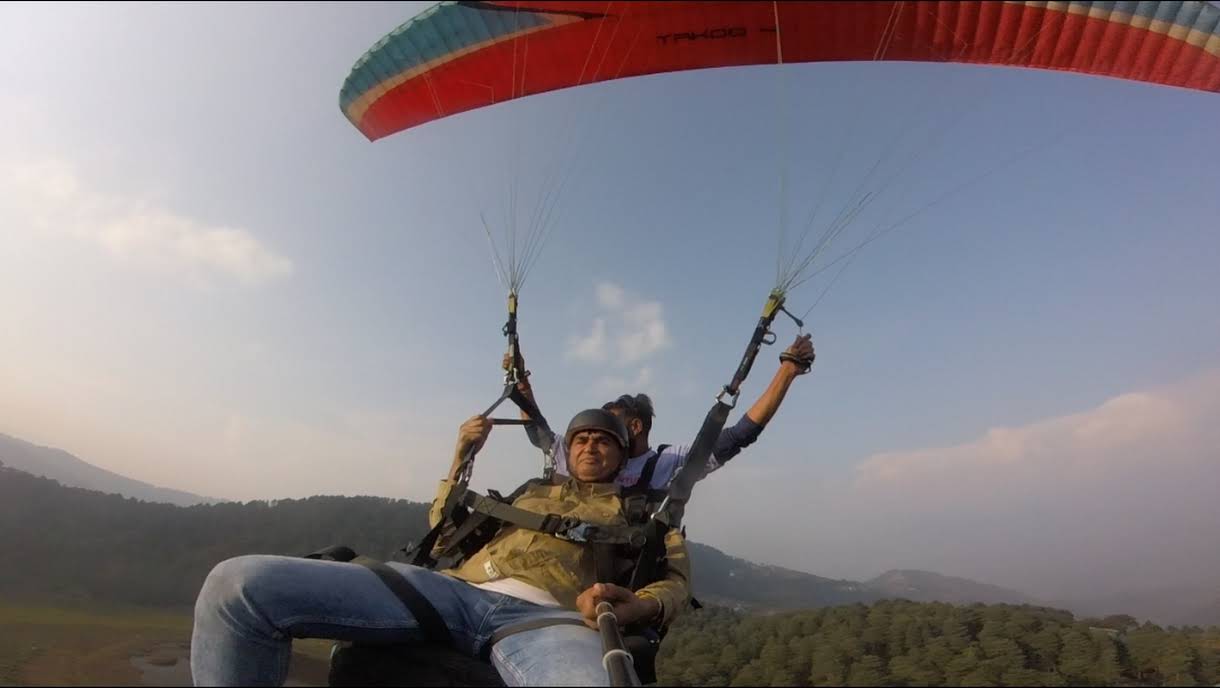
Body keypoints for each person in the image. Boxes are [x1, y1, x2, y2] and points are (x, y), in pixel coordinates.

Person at [190, 409, 691, 687]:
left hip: (550, 621)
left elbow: (674, 582)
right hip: (452, 591)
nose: (589, 446)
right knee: (237, 587)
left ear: (622, 454)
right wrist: (461, 455)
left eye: (603, 440)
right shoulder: (530, 492)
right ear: (569, 449)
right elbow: (444, 529)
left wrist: (640, 606)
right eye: (581, 439)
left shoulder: (643, 514)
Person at [509, 334, 815, 497]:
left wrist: (787, 372)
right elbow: (537, 429)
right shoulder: (578, 454)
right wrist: (520, 379)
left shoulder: (666, 465)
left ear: (635, 426)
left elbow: (739, 435)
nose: (593, 441)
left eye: (609, 427)